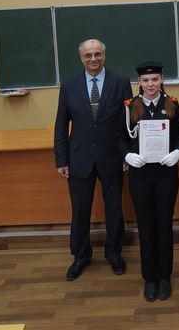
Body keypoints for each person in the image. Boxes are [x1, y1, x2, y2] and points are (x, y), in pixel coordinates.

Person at [54, 38, 132, 281]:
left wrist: (127, 153)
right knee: (80, 210)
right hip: (79, 157)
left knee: (114, 209)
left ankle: (114, 253)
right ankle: (80, 256)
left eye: (97, 54)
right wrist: (61, 159)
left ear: (104, 55)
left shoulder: (121, 82)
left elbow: (128, 122)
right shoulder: (69, 85)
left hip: (112, 156)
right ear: (81, 58)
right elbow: (61, 124)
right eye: (88, 55)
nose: (93, 59)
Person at [118, 61, 179, 302]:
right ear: (139, 82)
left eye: (155, 79)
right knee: (146, 228)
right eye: (146, 80)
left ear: (161, 79)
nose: (150, 84)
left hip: (166, 175)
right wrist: (127, 155)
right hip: (140, 176)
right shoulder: (129, 107)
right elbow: (119, 137)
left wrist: (178, 152)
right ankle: (150, 278)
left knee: (164, 226)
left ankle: (165, 276)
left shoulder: (172, 104)